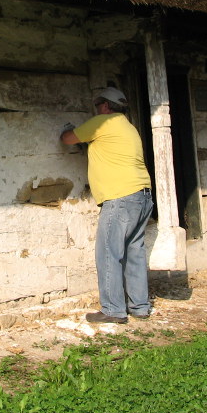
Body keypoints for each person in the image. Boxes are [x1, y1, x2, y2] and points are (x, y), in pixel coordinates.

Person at [61, 87, 154, 324]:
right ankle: (140, 307)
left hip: (120, 197)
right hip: (142, 195)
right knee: (134, 252)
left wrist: (67, 129)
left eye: (97, 105)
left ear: (105, 106)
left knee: (109, 253)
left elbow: (68, 139)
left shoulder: (103, 122)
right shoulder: (128, 126)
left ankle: (113, 310)